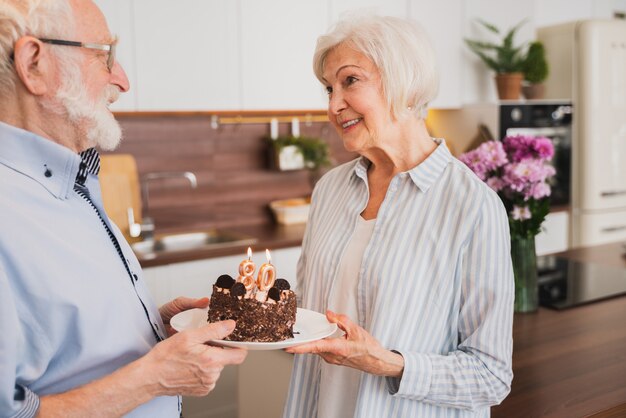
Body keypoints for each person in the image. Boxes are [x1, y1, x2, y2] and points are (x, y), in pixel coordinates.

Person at [0, 1, 247, 417]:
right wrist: (156, 376)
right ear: (34, 63)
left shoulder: (69, 180)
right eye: (104, 54)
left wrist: (147, 327)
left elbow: (62, 341)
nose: (123, 80)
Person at [283, 14, 514, 418]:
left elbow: (490, 375)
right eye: (328, 89)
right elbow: (310, 313)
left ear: (403, 81)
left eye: (349, 81)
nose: (334, 105)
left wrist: (387, 363)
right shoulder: (330, 190)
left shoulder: (472, 206)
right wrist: (256, 312)